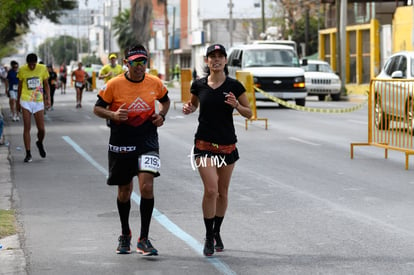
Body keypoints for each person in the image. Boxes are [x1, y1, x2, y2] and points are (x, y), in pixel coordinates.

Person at [93, 44, 170, 256]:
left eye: (143, 62)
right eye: (135, 62)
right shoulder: (114, 85)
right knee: (125, 191)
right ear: (126, 63)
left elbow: (165, 101)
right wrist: (114, 115)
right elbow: (97, 108)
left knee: (147, 186)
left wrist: (161, 115)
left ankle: (143, 239)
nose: (139, 66)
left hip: (147, 140)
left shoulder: (154, 82)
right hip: (122, 141)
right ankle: (125, 233)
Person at [182, 44, 252, 257]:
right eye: (212, 57)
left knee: (222, 192)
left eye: (220, 56)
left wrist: (236, 106)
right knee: (211, 190)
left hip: (227, 145)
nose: (217, 60)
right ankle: (208, 235)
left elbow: (249, 113)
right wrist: (188, 108)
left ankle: (217, 231)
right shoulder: (199, 85)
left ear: (225, 61)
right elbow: (193, 105)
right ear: (207, 61)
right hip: (203, 144)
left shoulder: (235, 86)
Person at [17, 53, 50, 163]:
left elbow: (46, 85)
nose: (31, 67)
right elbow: (20, 86)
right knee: (27, 127)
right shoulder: (22, 70)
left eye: (33, 65)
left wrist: (48, 99)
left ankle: (39, 142)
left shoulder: (42, 68)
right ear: (27, 63)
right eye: (30, 65)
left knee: (41, 129)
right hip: (26, 100)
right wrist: (18, 102)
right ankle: (28, 153)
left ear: (36, 63)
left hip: (38, 101)